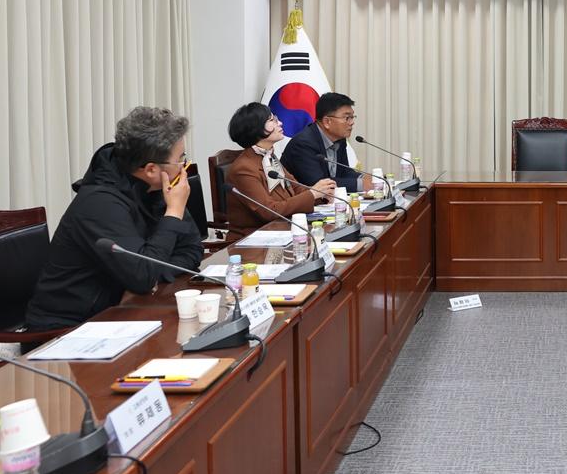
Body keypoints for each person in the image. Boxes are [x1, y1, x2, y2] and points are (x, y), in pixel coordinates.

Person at [25, 106, 205, 329]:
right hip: (68, 329)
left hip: (126, 312)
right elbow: (142, 275)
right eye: (181, 159)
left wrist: (154, 277)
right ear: (150, 169)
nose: (184, 167)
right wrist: (174, 213)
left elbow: (192, 250)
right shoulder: (100, 203)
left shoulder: (157, 189)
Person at [224, 103, 338, 240]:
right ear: (255, 128)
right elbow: (268, 210)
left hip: (282, 230)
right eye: (272, 120)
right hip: (253, 239)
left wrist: (321, 195)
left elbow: (296, 188)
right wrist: (312, 193)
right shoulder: (243, 169)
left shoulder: (268, 156)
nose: (280, 123)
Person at [280, 92, 361, 192]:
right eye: (347, 118)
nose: (352, 122)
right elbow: (318, 183)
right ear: (327, 122)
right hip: (301, 203)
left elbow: (344, 172)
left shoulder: (339, 139)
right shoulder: (303, 144)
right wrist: (360, 184)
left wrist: (364, 178)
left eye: (353, 117)